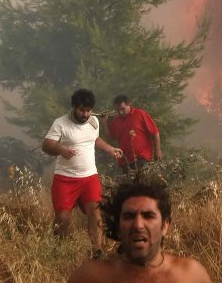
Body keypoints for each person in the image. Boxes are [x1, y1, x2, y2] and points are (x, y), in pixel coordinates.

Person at [68, 179, 212, 282]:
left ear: (165, 226)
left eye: (148, 216)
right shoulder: (91, 277)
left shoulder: (189, 275)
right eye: (129, 216)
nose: (138, 225)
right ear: (117, 226)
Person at [42, 88, 124, 259]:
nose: (85, 114)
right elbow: (46, 145)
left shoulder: (94, 121)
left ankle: (97, 250)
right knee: (62, 217)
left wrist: (110, 149)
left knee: (95, 213)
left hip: (89, 178)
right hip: (65, 179)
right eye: (82, 110)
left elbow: (94, 139)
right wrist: (61, 149)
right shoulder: (61, 123)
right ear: (74, 107)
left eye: (88, 110)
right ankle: (60, 250)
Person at [106, 95, 162, 174]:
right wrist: (104, 123)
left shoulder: (140, 114)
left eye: (123, 109)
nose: (120, 112)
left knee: (141, 182)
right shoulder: (116, 120)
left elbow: (155, 132)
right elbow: (111, 138)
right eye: (118, 110)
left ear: (129, 104)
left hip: (142, 157)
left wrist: (157, 150)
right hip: (125, 160)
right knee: (129, 185)